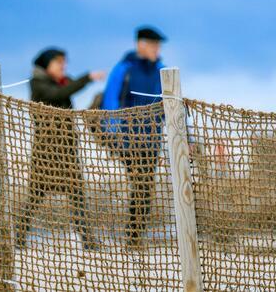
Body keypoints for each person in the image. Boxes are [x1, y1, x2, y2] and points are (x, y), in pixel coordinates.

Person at [15, 47, 106, 249]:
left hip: (66, 152)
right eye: (58, 63)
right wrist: (87, 77)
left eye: (64, 62)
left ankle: (88, 242)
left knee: (78, 198)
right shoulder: (39, 84)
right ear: (46, 65)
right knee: (34, 198)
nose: (63, 66)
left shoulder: (61, 81)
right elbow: (60, 93)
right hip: (46, 153)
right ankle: (19, 238)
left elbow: (69, 88)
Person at [101, 26, 166, 247]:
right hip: (129, 140)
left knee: (145, 187)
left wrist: (184, 134)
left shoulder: (162, 70)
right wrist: (113, 135)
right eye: (153, 44)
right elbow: (110, 101)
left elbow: (169, 103)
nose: (157, 49)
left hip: (152, 140)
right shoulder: (123, 69)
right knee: (141, 184)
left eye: (159, 45)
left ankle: (134, 235)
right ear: (141, 44)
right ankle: (133, 237)